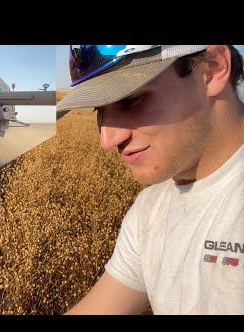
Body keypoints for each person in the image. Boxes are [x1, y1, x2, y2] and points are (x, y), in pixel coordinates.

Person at [57, 45, 244, 315]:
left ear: (213, 69)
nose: (107, 140)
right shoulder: (149, 211)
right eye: (99, 109)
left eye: (131, 100)